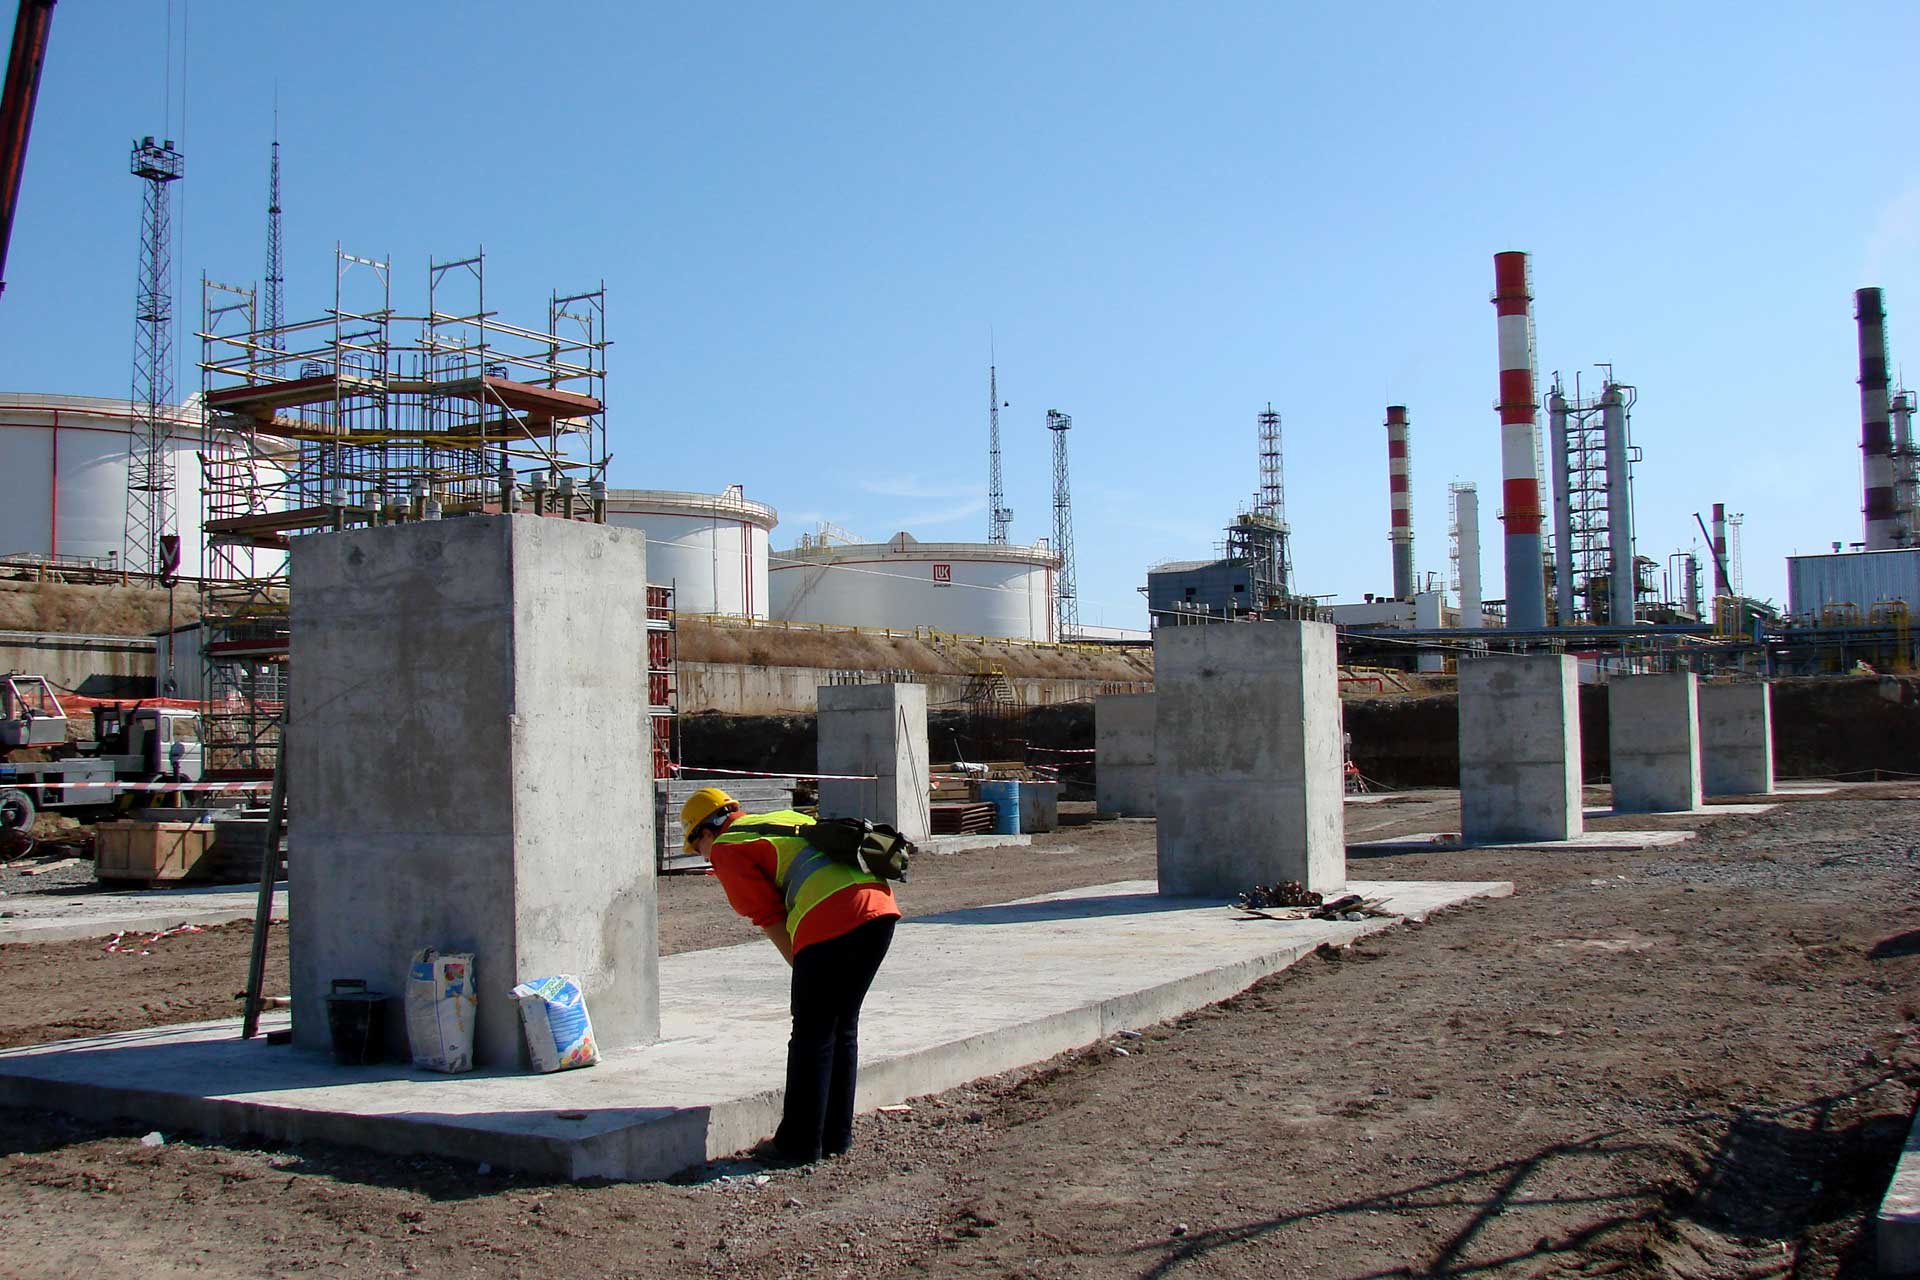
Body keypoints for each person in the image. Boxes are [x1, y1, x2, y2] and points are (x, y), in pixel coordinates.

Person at [682, 786, 899, 1164]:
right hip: (878, 911)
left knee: (812, 1031)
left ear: (704, 832)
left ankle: (797, 1143)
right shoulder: (785, 819)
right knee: (841, 1025)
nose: (702, 856)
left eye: (695, 846)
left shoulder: (726, 848)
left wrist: (805, 970)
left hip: (833, 918)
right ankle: (834, 1135)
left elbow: (768, 917)